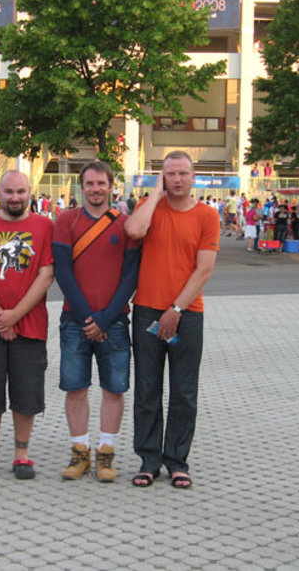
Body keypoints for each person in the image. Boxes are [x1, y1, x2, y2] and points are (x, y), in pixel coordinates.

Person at [125, 151, 220, 489]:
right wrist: (154, 194)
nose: (177, 180)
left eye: (183, 173)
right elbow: (134, 231)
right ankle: (149, 460)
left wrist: (176, 310)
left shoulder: (207, 215)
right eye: (170, 174)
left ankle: (177, 460)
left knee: (183, 391)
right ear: (161, 177)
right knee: (147, 389)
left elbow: (203, 270)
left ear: (194, 177)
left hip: (186, 314)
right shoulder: (150, 210)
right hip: (148, 311)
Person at [53, 161, 140, 482]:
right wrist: (87, 318)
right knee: (75, 389)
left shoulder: (126, 225)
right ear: (81, 187)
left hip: (114, 321)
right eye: (89, 184)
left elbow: (131, 275)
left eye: (101, 183)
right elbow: (62, 272)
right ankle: (80, 453)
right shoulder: (65, 221)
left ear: (111, 186)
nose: (95, 189)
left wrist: (104, 319)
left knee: (113, 389)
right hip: (75, 321)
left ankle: (106, 454)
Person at [0, 170, 54, 481]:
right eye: (9, 192)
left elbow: (46, 275)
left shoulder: (44, 226)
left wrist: (15, 315)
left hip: (30, 325)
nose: (15, 197)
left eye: (20, 191)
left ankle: (22, 454)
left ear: (30, 192)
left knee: (26, 391)